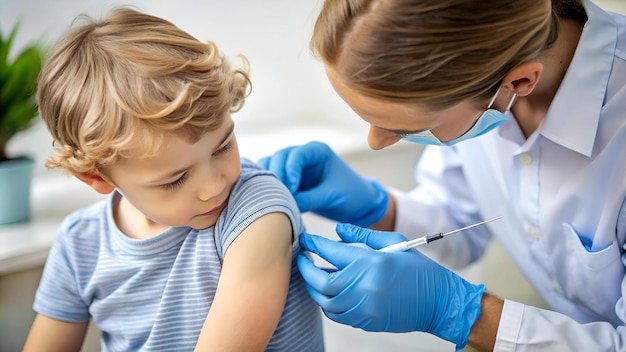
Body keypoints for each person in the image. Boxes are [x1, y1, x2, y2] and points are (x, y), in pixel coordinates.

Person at [259, 0, 626, 351]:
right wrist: (377, 207)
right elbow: (458, 221)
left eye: (404, 128)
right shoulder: (485, 86)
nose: (375, 142)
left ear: (518, 82)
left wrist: (458, 312)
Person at [22, 7, 324, 352]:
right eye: (175, 180)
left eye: (222, 146)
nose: (213, 186)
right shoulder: (80, 244)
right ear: (96, 177)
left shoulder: (255, 212)